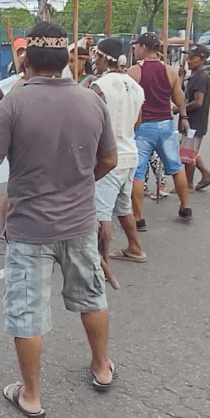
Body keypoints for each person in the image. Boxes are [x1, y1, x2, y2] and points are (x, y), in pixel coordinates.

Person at [0, 21, 118, 418]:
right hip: (78, 222)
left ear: (27, 60)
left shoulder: (14, 103)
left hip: (29, 228)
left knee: (27, 312)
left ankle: (32, 395)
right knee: (92, 296)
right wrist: (76, 181)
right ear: (65, 60)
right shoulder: (92, 101)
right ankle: (101, 367)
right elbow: (108, 160)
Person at [89, 39, 147, 264]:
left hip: (108, 158)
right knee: (124, 207)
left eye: (96, 57)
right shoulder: (135, 86)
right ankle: (135, 247)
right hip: (130, 153)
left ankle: (101, 261)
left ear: (104, 58)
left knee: (102, 213)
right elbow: (137, 122)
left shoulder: (99, 87)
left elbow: (90, 123)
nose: (94, 61)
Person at [128, 33, 193, 228]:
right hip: (165, 124)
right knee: (175, 166)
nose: (134, 50)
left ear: (143, 47)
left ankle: (138, 217)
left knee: (138, 173)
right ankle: (185, 206)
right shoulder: (170, 71)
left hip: (143, 126)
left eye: (136, 46)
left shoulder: (134, 72)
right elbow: (180, 101)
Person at [180, 45, 210, 191]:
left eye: (192, 58)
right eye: (188, 57)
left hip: (194, 122)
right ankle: (205, 174)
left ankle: (188, 184)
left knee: (187, 153)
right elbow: (185, 95)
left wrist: (180, 109)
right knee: (188, 150)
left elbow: (197, 102)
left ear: (202, 59)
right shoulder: (195, 75)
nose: (189, 61)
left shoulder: (201, 77)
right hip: (191, 121)